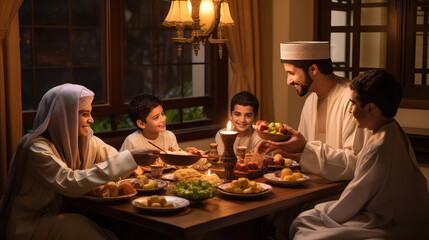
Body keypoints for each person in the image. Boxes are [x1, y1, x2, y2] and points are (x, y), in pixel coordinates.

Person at [0, 84, 159, 240]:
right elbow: (70, 182)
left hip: (65, 213)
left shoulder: (84, 141)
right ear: (63, 115)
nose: (91, 120)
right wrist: (129, 158)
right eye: (84, 114)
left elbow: (114, 159)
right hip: (31, 223)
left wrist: (135, 162)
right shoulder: (36, 148)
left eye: (90, 113)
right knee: (85, 228)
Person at [290, 70, 429, 240]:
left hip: (386, 219)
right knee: (308, 216)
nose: (349, 110)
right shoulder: (392, 129)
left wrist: (323, 215)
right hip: (399, 213)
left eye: (353, 104)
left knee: (304, 225)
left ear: (371, 108)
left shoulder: (379, 147)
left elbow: (353, 198)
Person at [257, 41, 369, 181]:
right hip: (309, 186)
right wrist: (285, 151)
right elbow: (305, 155)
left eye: (291, 73)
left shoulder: (351, 100)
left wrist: (304, 147)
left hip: (341, 191)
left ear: (314, 69)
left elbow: (354, 163)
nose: (288, 81)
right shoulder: (310, 101)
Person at [215, 91, 262, 155]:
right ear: (230, 115)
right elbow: (223, 160)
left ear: (255, 118)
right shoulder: (221, 135)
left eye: (248, 115)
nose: (242, 120)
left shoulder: (258, 135)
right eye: (237, 114)